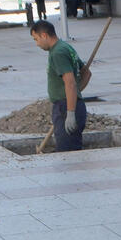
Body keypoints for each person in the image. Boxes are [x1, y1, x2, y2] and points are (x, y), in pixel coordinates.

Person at [30, 20, 87, 152]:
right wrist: (76, 94)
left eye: (36, 39)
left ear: (44, 35)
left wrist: (70, 112)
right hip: (71, 104)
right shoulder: (64, 47)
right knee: (71, 148)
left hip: (65, 107)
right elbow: (86, 74)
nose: (37, 44)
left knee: (67, 152)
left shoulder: (58, 53)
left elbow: (70, 83)